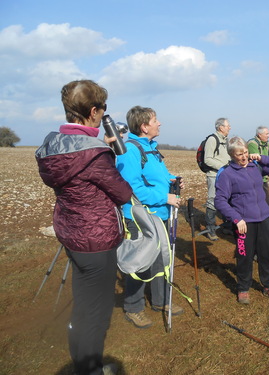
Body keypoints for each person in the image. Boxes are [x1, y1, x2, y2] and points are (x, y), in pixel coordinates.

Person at [35, 80, 133, 375]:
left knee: (83, 304)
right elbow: (123, 193)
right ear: (93, 111)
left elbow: (78, 169)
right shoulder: (94, 154)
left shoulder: (52, 147)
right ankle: (91, 369)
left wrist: (99, 149)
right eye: (102, 110)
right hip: (97, 240)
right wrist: (108, 154)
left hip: (71, 233)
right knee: (97, 312)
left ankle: (80, 364)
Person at [116, 106, 184, 329]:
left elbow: (157, 177)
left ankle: (161, 301)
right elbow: (131, 188)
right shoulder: (129, 150)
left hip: (159, 214)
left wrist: (173, 180)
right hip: (139, 217)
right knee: (139, 261)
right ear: (144, 126)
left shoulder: (150, 148)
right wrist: (165, 197)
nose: (160, 123)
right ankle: (133, 308)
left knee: (161, 260)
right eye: (156, 120)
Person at [215, 136, 269, 304]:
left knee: (267, 253)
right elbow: (220, 200)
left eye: (246, 152)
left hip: (263, 218)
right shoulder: (227, 174)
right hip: (243, 223)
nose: (244, 157)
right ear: (232, 154)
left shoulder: (255, 167)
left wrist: (261, 157)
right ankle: (243, 288)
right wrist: (236, 219)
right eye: (239, 154)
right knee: (244, 255)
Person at [204, 117, 231, 241]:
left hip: (226, 175)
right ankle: (210, 229)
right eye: (227, 126)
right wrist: (223, 167)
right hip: (214, 175)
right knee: (212, 201)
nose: (229, 128)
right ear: (220, 127)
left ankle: (226, 226)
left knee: (227, 200)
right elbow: (207, 159)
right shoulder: (212, 139)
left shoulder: (226, 140)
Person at [248, 126, 269, 205]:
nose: (268, 136)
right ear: (259, 134)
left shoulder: (267, 144)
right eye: (266, 134)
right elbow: (257, 160)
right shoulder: (252, 144)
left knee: (267, 200)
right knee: (265, 202)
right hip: (256, 177)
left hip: (265, 177)